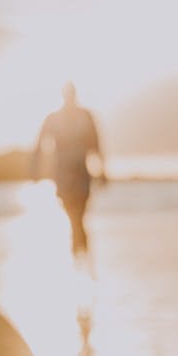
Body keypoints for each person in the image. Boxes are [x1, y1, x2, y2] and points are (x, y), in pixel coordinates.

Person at [32, 82, 106, 255]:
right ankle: (80, 250)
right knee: (73, 213)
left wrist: (103, 171)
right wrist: (35, 169)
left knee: (79, 213)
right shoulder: (54, 118)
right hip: (63, 173)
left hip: (81, 171)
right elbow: (39, 144)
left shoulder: (86, 116)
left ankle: (79, 251)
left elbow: (97, 144)